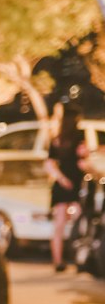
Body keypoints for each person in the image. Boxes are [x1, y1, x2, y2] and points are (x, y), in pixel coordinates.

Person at [46, 107, 88, 272]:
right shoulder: (78, 136)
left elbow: (49, 164)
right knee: (78, 222)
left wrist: (61, 179)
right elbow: (82, 160)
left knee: (59, 225)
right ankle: (77, 259)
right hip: (75, 184)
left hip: (62, 185)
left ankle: (58, 261)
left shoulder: (56, 139)